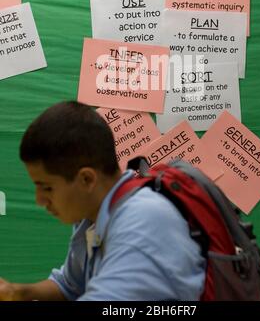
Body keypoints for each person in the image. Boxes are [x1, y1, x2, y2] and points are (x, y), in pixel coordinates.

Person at [0, 101, 205, 301]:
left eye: (47, 188)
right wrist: (14, 292)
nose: (39, 200)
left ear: (87, 179)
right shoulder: (92, 216)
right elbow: (70, 286)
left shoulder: (143, 221)